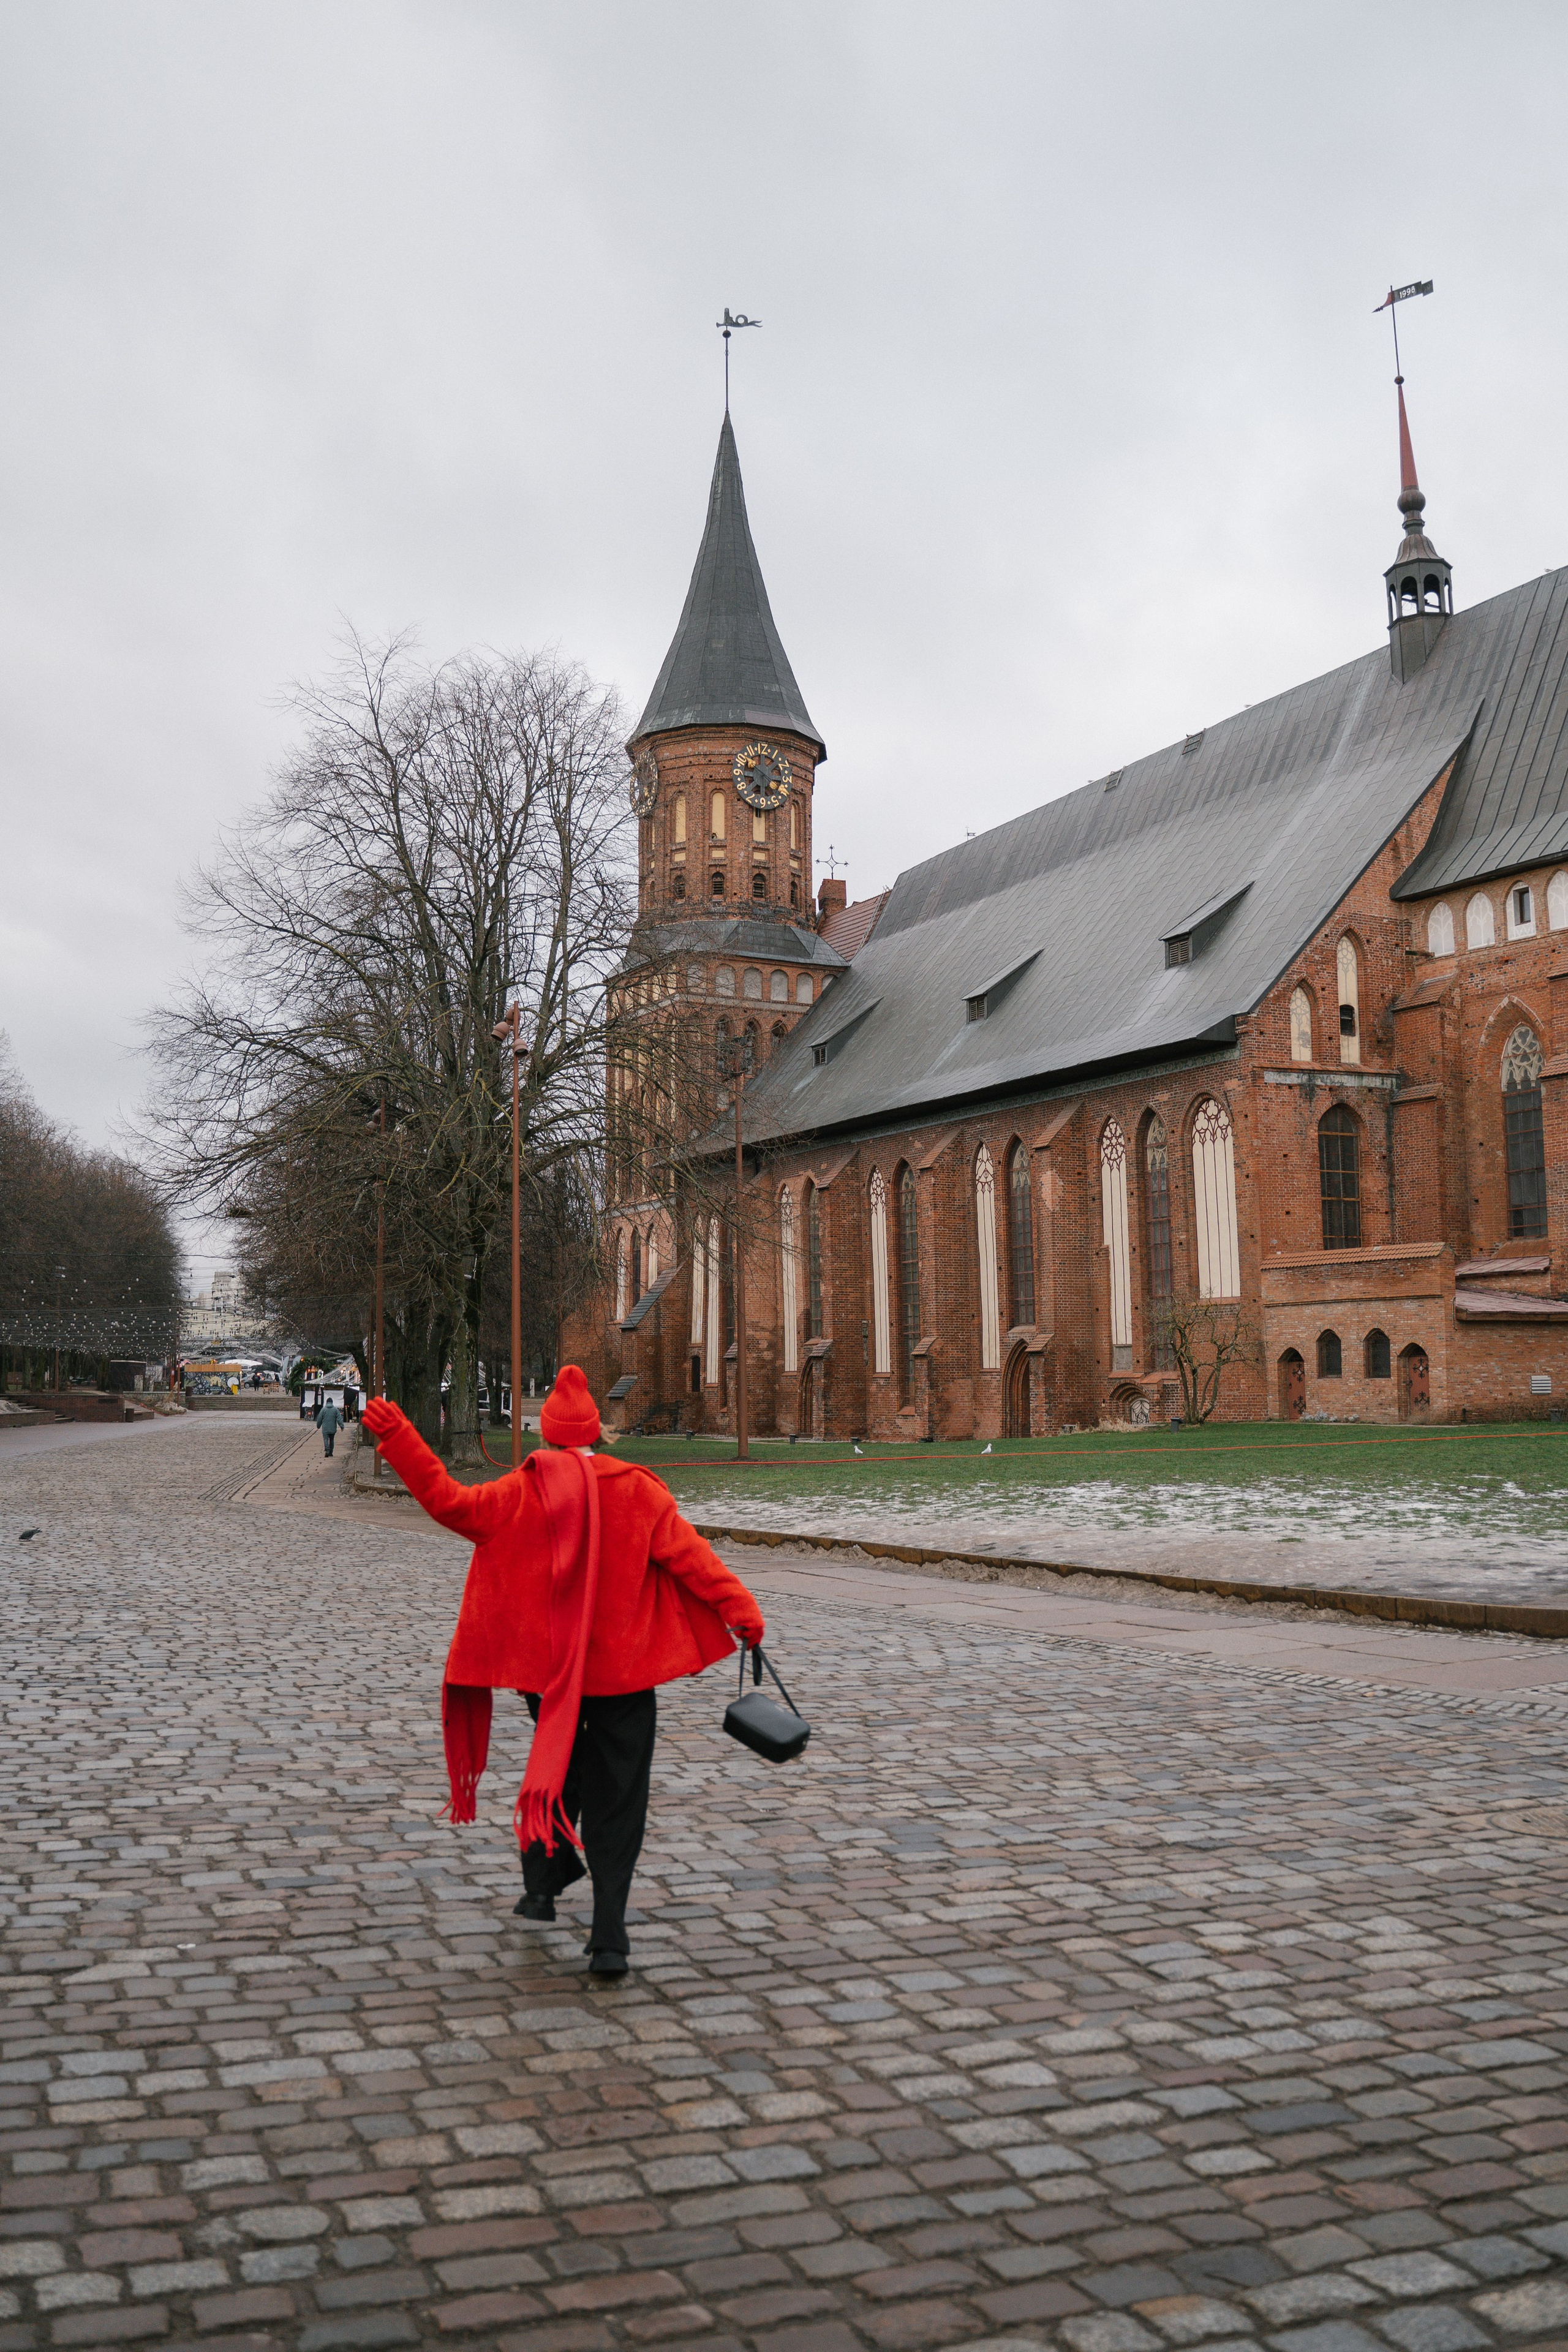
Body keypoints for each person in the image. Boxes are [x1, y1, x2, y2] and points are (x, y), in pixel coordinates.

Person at [362, 1366, 764, 1978]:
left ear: (545, 1435)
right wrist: (742, 1611)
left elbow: (448, 1503)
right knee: (618, 1797)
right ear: (597, 1434)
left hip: (548, 1678)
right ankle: (608, 1936)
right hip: (624, 1677)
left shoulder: (519, 1490)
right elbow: (693, 1560)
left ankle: (543, 1884)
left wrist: (401, 1438)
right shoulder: (639, 1490)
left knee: (562, 1766)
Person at [314, 1391, 344, 1457]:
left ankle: (327, 1451)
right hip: (333, 1428)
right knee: (332, 1439)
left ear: (327, 1402)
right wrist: (342, 1426)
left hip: (325, 1428)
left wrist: (318, 1426)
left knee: (326, 1439)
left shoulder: (323, 1410)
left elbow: (319, 1418)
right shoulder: (335, 1410)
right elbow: (339, 1418)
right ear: (332, 1402)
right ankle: (331, 1452)